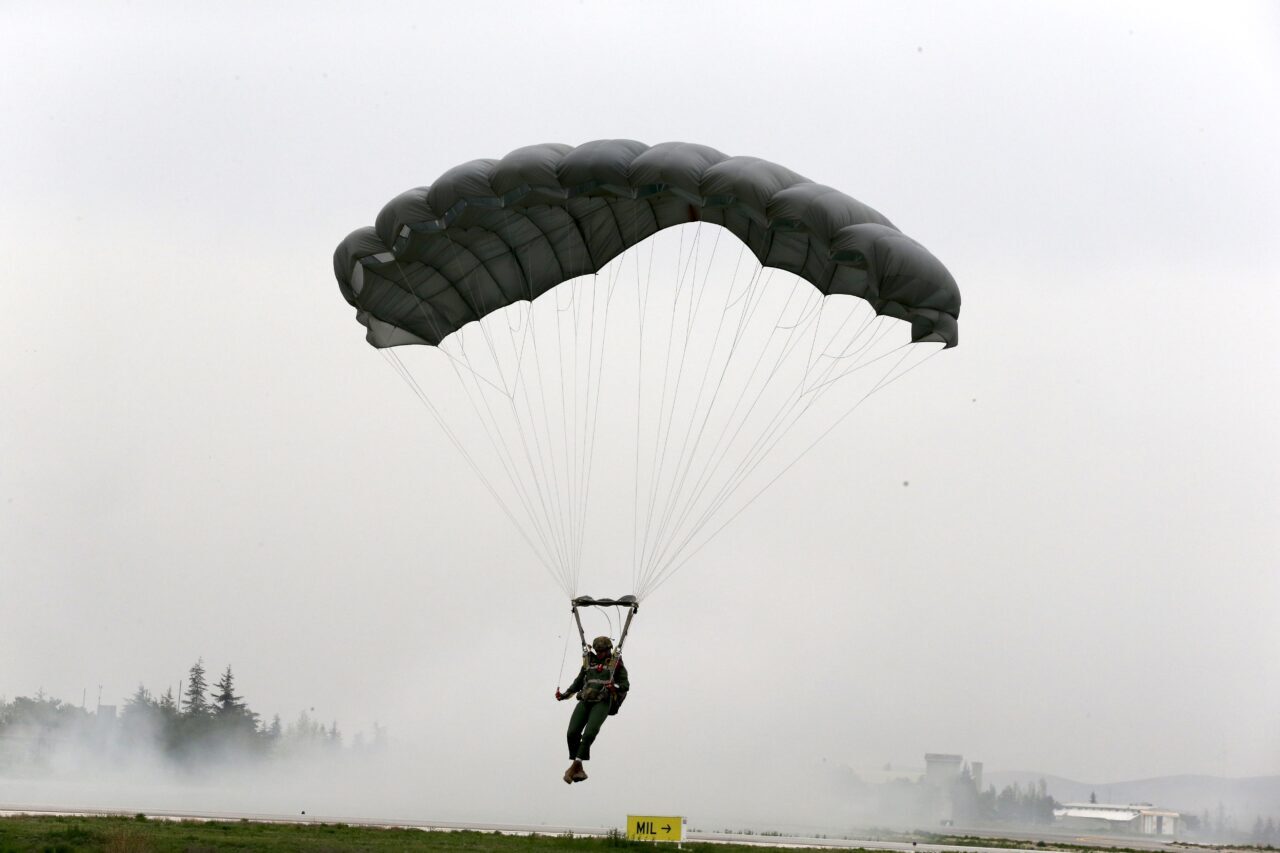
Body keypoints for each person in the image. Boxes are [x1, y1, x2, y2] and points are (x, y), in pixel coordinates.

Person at [556, 634, 629, 783]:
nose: (601, 654)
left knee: (589, 733)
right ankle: (578, 766)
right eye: (598, 651)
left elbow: (625, 685)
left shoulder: (616, 664)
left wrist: (613, 686)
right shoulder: (589, 663)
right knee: (572, 732)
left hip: (602, 701)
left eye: (604, 651)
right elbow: (578, 682)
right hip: (585, 699)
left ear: (609, 650)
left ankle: (575, 765)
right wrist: (564, 695)